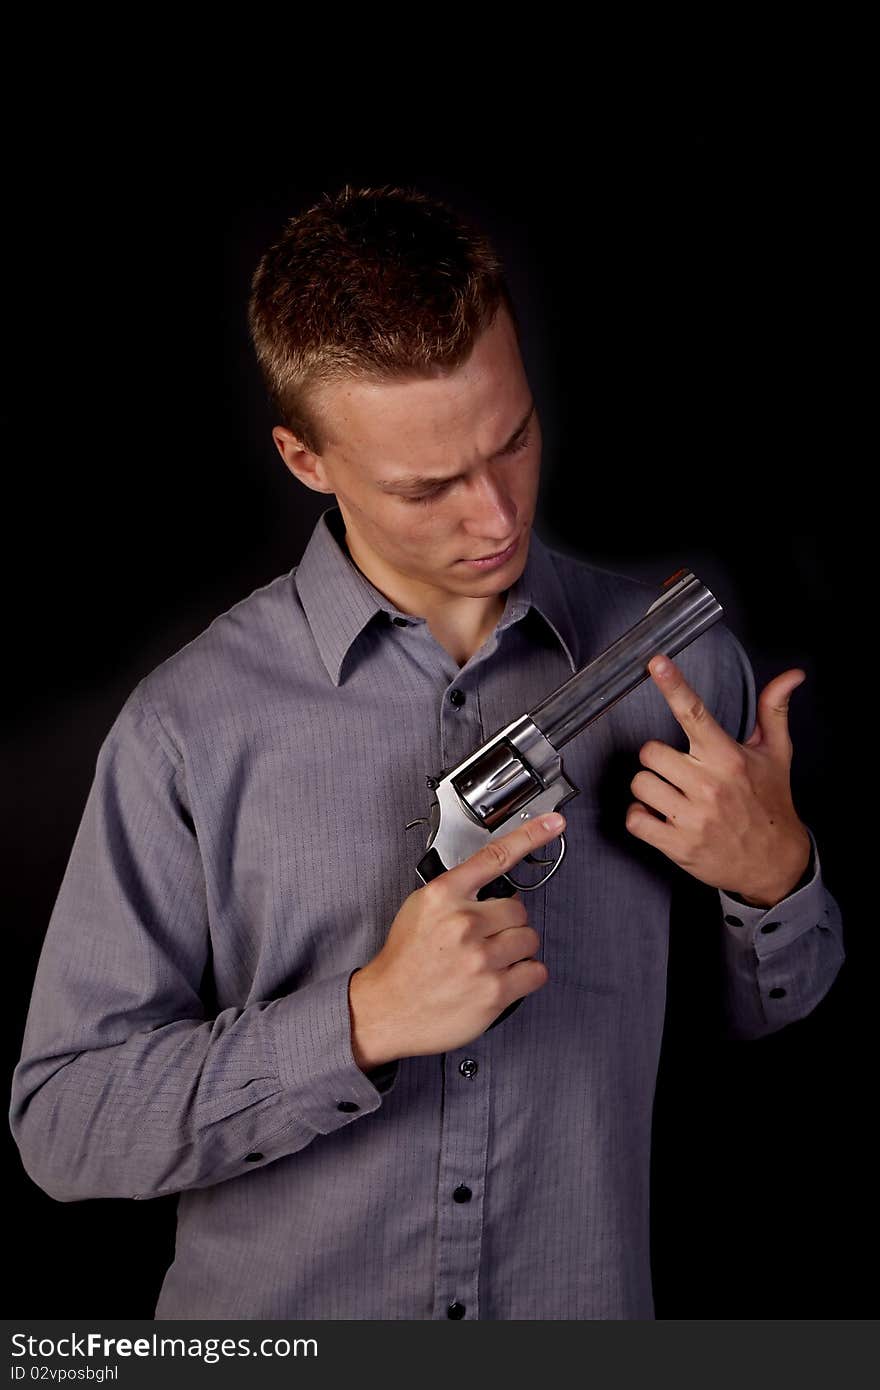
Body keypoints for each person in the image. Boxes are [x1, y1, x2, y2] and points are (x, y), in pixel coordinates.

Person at [8, 185, 844, 1320]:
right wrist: (357, 1023)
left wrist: (775, 878)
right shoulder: (188, 727)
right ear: (306, 460)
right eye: (428, 486)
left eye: (512, 441)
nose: (496, 516)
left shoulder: (681, 681)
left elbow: (764, 1022)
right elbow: (64, 1124)